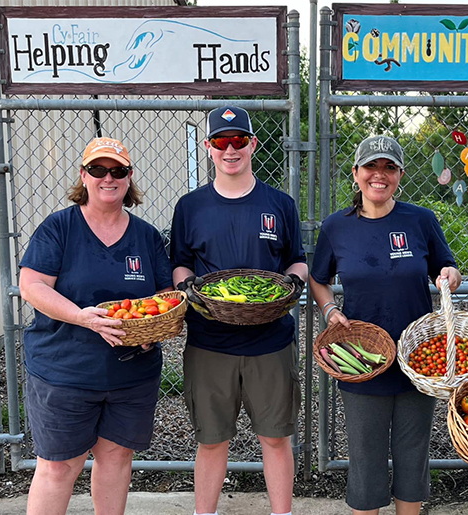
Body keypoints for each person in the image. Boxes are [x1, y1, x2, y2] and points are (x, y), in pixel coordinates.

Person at [19, 137, 173, 515]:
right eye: (98, 170)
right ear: (84, 176)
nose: (109, 178)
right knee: (59, 467)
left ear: (129, 177)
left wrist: (153, 332)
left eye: (117, 170)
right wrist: (83, 316)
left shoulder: (147, 236)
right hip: (65, 370)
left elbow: (164, 295)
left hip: (130, 374)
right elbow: (32, 286)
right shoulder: (59, 228)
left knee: (117, 457)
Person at [309, 135, 462, 515]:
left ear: (400, 174)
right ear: (356, 173)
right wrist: (330, 311)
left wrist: (449, 275)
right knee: (365, 461)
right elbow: (317, 278)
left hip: (418, 361)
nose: (380, 175)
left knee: (413, 457)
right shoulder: (336, 227)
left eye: (389, 167)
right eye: (371, 167)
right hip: (363, 362)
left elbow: (447, 267)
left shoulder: (420, 220)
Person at [169, 106, 307, 515]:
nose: (231, 149)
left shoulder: (279, 204)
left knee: (276, 438)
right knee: (211, 440)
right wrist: (188, 290)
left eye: (239, 140)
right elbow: (180, 263)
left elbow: (296, 261)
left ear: (253, 144)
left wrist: (292, 286)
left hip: (271, 340)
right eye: (221, 141)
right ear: (208, 148)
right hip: (210, 341)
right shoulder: (190, 206)